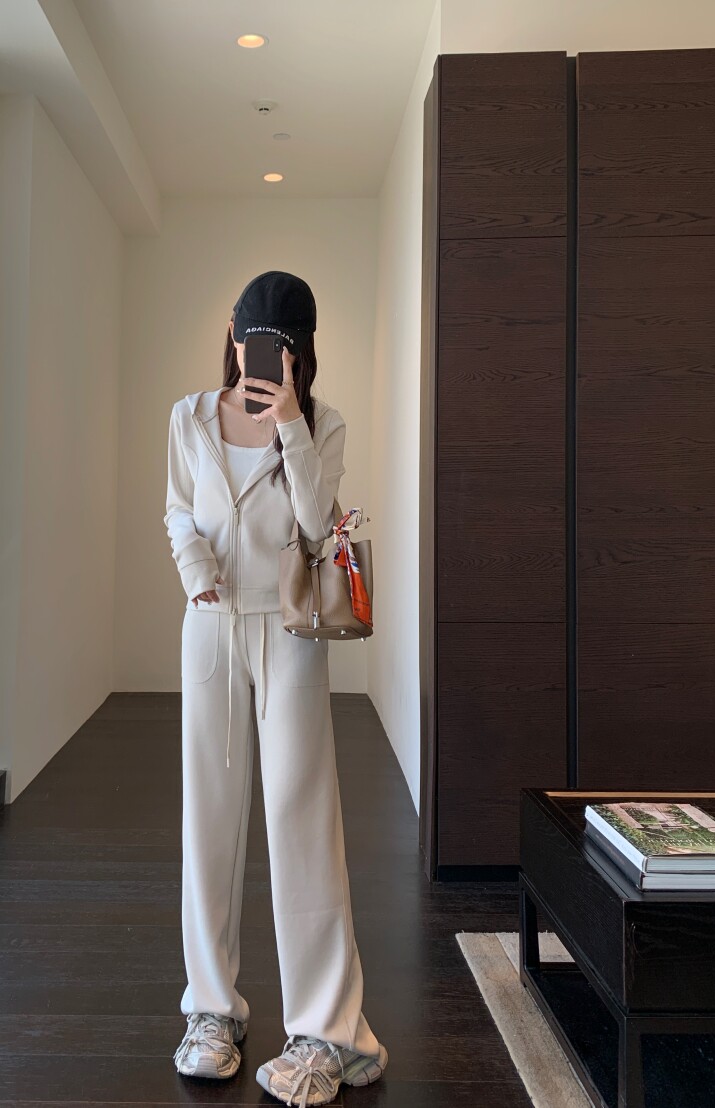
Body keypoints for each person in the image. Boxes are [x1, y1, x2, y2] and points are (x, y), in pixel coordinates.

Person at [164, 272, 388, 1106]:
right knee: (210, 820)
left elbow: (316, 524)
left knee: (303, 818)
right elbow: (178, 510)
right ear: (232, 330)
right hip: (210, 625)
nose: (257, 352)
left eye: (277, 343)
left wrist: (290, 424)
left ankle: (326, 1030)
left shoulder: (322, 423)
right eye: (250, 335)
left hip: (291, 628)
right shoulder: (188, 416)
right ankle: (211, 1012)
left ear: (298, 350)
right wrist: (195, 572)